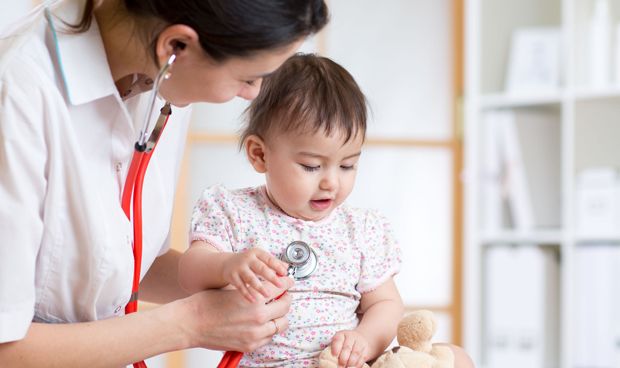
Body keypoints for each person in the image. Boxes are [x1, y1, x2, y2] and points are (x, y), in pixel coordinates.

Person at [0, 0, 328, 366]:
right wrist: (193, 323)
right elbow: (5, 346)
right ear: (175, 47)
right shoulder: (16, 91)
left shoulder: (163, 86)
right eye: (247, 77)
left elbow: (116, 263)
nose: (253, 93)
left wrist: (230, 275)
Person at [178, 54, 405, 368]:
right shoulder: (234, 212)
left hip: (336, 363)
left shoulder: (360, 229)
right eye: (311, 166)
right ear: (260, 155)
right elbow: (189, 273)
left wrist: (364, 340)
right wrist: (226, 265)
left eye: (347, 165)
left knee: (454, 358)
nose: (331, 182)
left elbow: (386, 304)